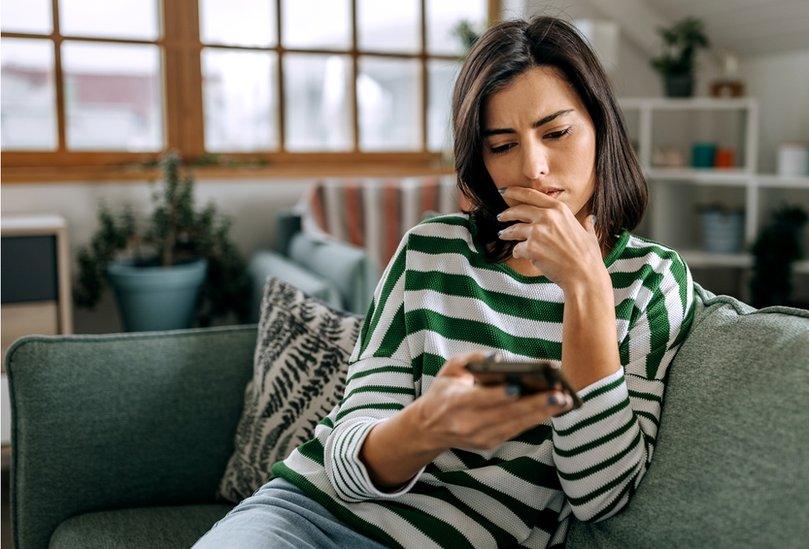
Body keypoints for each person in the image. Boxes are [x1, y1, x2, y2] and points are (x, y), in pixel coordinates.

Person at [194, 15, 696, 549]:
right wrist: (429, 426)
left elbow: (601, 495)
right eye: (502, 145)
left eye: (556, 132)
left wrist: (587, 288)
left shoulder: (650, 282)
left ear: (601, 128)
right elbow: (344, 462)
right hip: (306, 519)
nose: (534, 168)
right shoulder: (430, 252)